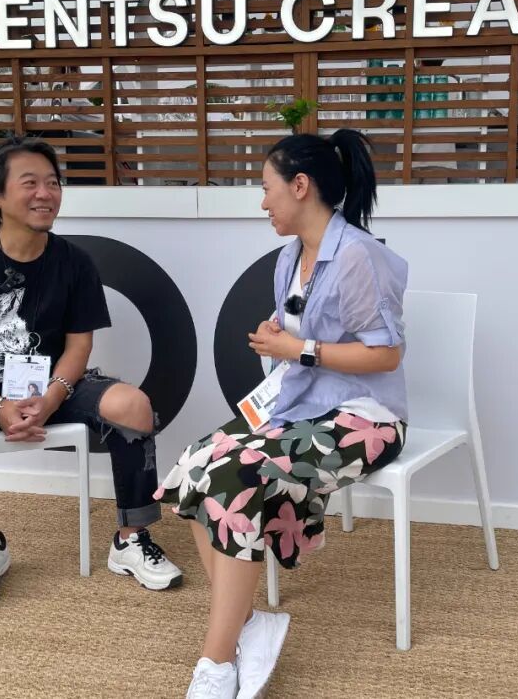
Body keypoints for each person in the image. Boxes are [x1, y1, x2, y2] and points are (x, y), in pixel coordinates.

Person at [156, 129, 409, 697]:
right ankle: (248, 624)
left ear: (300, 186)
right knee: (194, 466)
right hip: (300, 405)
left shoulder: (359, 257)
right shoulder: (290, 256)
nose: (262, 202)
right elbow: (298, 327)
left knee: (237, 477)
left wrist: (299, 349)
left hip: (366, 418)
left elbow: (385, 354)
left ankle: (216, 661)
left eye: (267, 188)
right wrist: (279, 334)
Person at [0, 136, 182, 613]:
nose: (45, 193)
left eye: (53, 183)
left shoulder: (74, 262)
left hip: (53, 385)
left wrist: (53, 397)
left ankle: (131, 538)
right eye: (30, 183)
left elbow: (78, 346)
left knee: (133, 406)